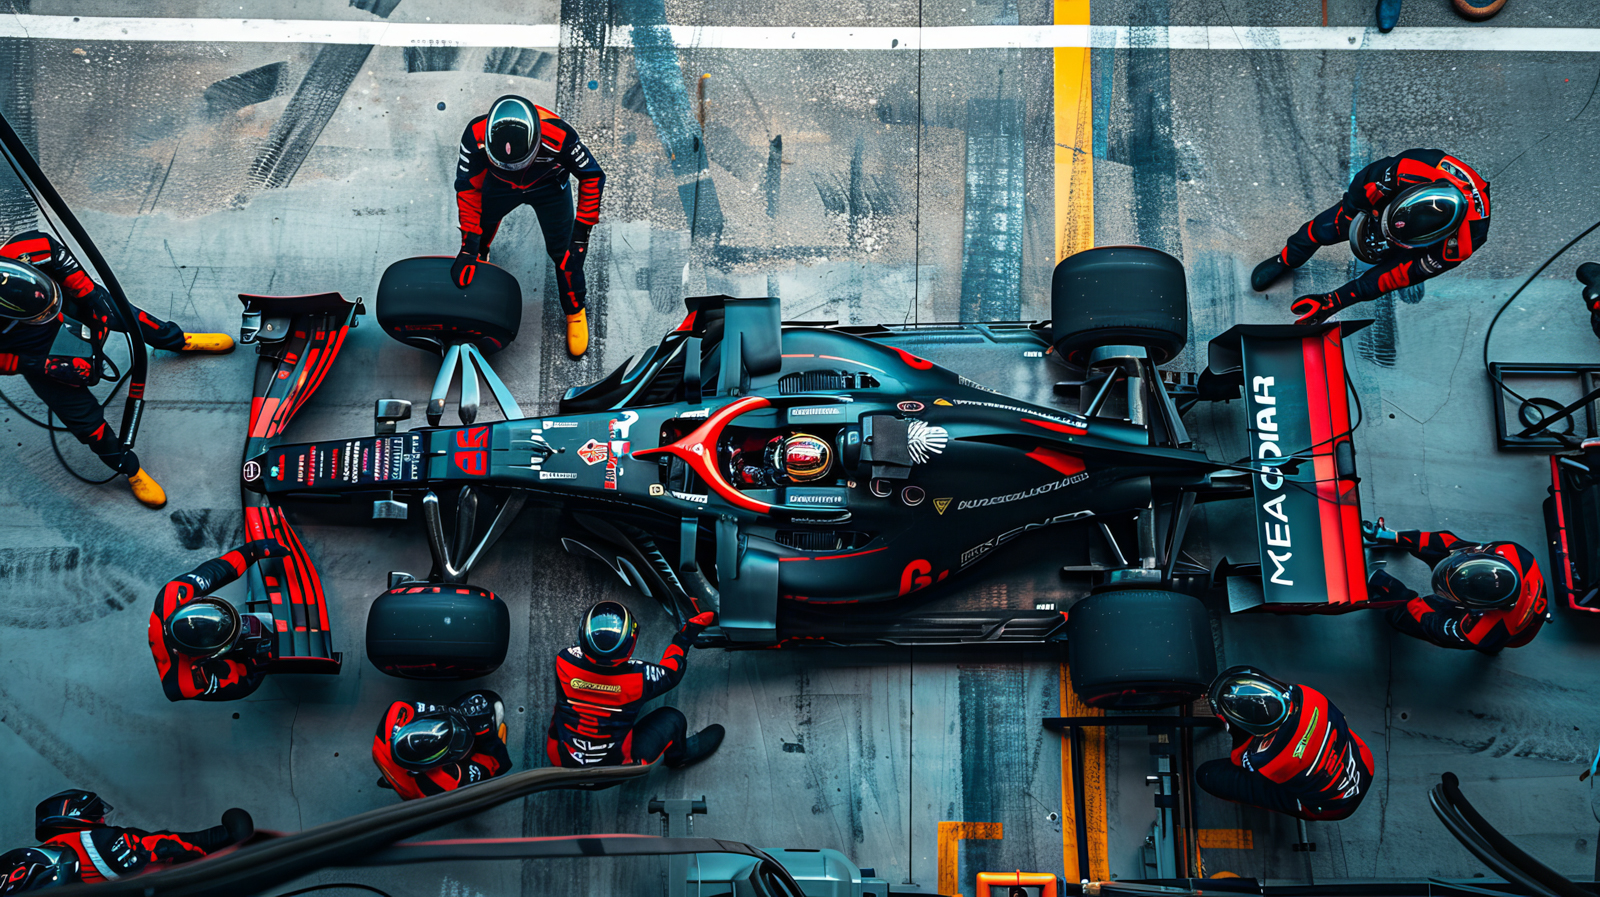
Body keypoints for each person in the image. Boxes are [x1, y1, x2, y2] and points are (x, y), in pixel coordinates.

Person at [0, 231, 234, 508]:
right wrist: (39, 365)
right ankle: (129, 469)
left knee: (131, 317)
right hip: (30, 351)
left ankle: (179, 341)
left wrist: (90, 296)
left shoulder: (24, 249)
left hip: (69, 300)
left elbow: (55, 253)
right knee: (85, 423)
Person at [1250, 149, 1490, 325]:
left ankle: (1400, 245)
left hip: (1420, 241)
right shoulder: (1408, 168)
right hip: (1387, 201)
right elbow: (1358, 192)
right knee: (1325, 228)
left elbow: (1396, 276)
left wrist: (1335, 301)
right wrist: (1353, 214)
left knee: (1403, 270)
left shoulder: (1461, 245)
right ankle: (1285, 259)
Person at [451, 94, 605, 358]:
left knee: (566, 255)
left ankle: (575, 310)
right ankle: (481, 253)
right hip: (499, 187)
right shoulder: (474, 136)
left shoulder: (560, 135)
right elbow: (467, 188)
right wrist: (469, 245)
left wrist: (581, 233)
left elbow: (592, 175)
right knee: (481, 228)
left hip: (550, 189)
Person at [547, 602, 724, 769]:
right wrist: (684, 637)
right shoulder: (641, 677)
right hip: (617, 770)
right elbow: (672, 671)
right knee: (673, 719)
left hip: (561, 766)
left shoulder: (564, 660)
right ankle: (678, 758)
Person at [1197, 667, 1375, 821]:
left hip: (1333, 807)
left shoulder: (1267, 759)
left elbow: (1238, 759)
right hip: (1364, 761)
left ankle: (1298, 805)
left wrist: (1229, 722)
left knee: (1206, 775)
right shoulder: (1311, 696)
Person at [1364, 519, 1548, 654]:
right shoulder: (1510, 551)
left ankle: (1492, 650)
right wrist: (1396, 537)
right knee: (1447, 546)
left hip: (1512, 633)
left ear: (1477, 608)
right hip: (1520, 593)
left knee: (1408, 618)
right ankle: (1390, 536)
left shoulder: (1482, 631)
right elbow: (1453, 545)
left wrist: (1395, 594)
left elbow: (1430, 626)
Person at [147, 540, 286, 702]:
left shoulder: (174, 593)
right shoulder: (189, 682)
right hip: (187, 670)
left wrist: (252, 550)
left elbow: (215, 571)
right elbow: (244, 683)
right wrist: (263, 659)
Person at [30, 789, 252, 884]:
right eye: (97, 815)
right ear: (74, 816)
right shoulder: (92, 841)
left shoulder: (38, 857)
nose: (103, 820)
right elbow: (164, 845)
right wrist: (221, 838)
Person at [372, 690, 512, 800]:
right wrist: (486, 735)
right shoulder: (444, 780)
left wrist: (457, 712)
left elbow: (440, 707)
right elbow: (498, 764)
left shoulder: (398, 710)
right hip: (417, 788)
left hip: (390, 758)